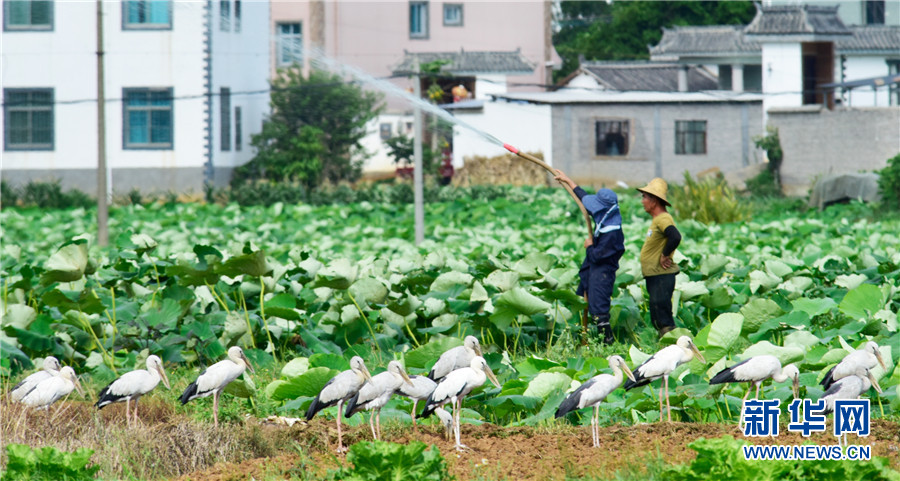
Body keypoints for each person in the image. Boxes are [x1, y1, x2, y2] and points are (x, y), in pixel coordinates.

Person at [554, 170, 625, 344]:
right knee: (591, 302)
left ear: (604, 209)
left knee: (599, 309)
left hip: (603, 272)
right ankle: (594, 340)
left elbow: (597, 256)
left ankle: (607, 342)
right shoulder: (605, 217)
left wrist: (590, 245)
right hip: (595, 270)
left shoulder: (612, 233)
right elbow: (585, 199)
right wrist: (569, 181)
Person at [637, 178, 681, 338]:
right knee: (657, 312)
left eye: (644, 197)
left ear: (654, 200)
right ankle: (664, 344)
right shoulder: (657, 219)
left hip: (662, 275)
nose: (642, 202)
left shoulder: (663, 218)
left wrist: (664, 255)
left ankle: (672, 345)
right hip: (655, 275)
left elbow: (675, 236)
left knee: (663, 315)